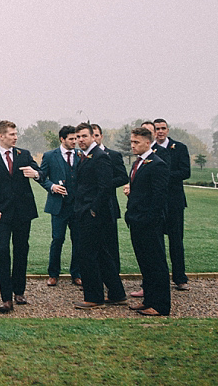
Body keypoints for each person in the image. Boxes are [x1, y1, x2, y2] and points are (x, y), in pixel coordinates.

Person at [0, 120, 40, 313]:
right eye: (12, 134)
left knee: (21, 251)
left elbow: (41, 172)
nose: (15, 137)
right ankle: (6, 298)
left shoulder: (24, 155)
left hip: (23, 213)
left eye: (16, 134)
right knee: (3, 252)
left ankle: (19, 291)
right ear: (1, 136)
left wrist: (36, 173)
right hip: (0, 214)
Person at [73, 123, 127, 309]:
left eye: (84, 136)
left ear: (93, 137)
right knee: (103, 255)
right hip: (85, 211)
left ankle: (94, 297)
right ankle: (117, 294)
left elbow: (105, 187)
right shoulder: (87, 156)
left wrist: (93, 210)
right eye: (78, 137)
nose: (80, 140)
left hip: (94, 215)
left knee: (87, 255)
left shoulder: (100, 157)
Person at [124, 126, 171, 316]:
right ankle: (149, 300)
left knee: (156, 264)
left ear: (147, 142)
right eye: (131, 142)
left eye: (136, 142)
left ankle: (160, 305)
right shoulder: (139, 163)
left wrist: (148, 220)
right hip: (136, 221)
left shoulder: (157, 164)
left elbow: (159, 197)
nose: (133, 146)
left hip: (149, 224)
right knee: (145, 264)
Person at [36, 125, 80, 287]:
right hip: (58, 206)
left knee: (78, 240)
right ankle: (53, 274)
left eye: (76, 138)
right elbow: (41, 177)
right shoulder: (49, 156)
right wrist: (52, 186)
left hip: (77, 207)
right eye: (71, 139)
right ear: (62, 139)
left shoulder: (81, 155)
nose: (75, 141)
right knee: (57, 239)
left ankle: (76, 273)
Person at [152, 118, 191, 292]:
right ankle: (157, 278)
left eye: (163, 128)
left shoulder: (179, 148)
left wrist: (165, 176)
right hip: (156, 203)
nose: (160, 131)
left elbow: (186, 172)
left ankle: (180, 278)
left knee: (176, 241)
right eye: (157, 129)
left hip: (174, 201)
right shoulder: (150, 150)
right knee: (156, 242)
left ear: (168, 130)